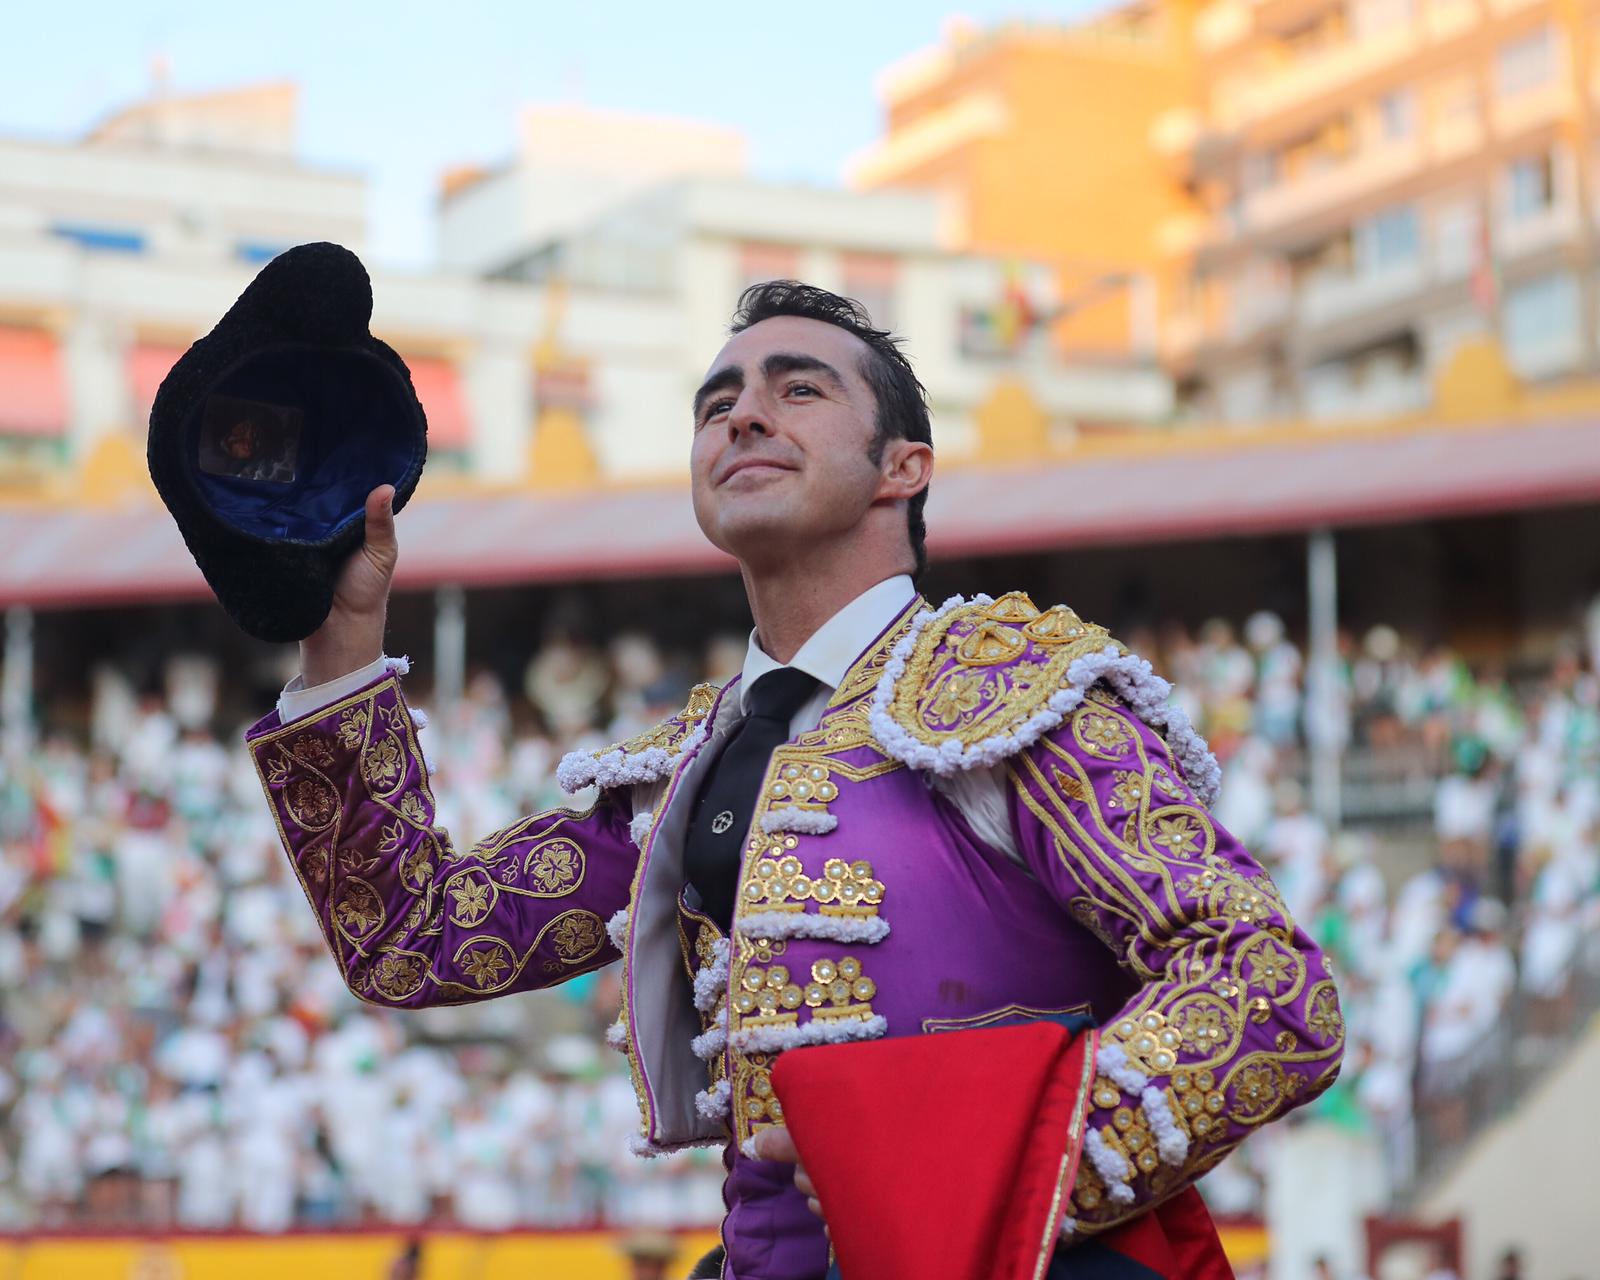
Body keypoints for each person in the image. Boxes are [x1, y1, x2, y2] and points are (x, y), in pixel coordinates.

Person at [243, 281, 1343, 1278]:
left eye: (797, 388)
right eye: (714, 401)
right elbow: (414, 937)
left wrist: (963, 1167)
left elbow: (1268, 988)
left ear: (902, 465)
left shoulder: (1020, 698)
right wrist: (344, 644)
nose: (742, 415)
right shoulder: (683, 768)